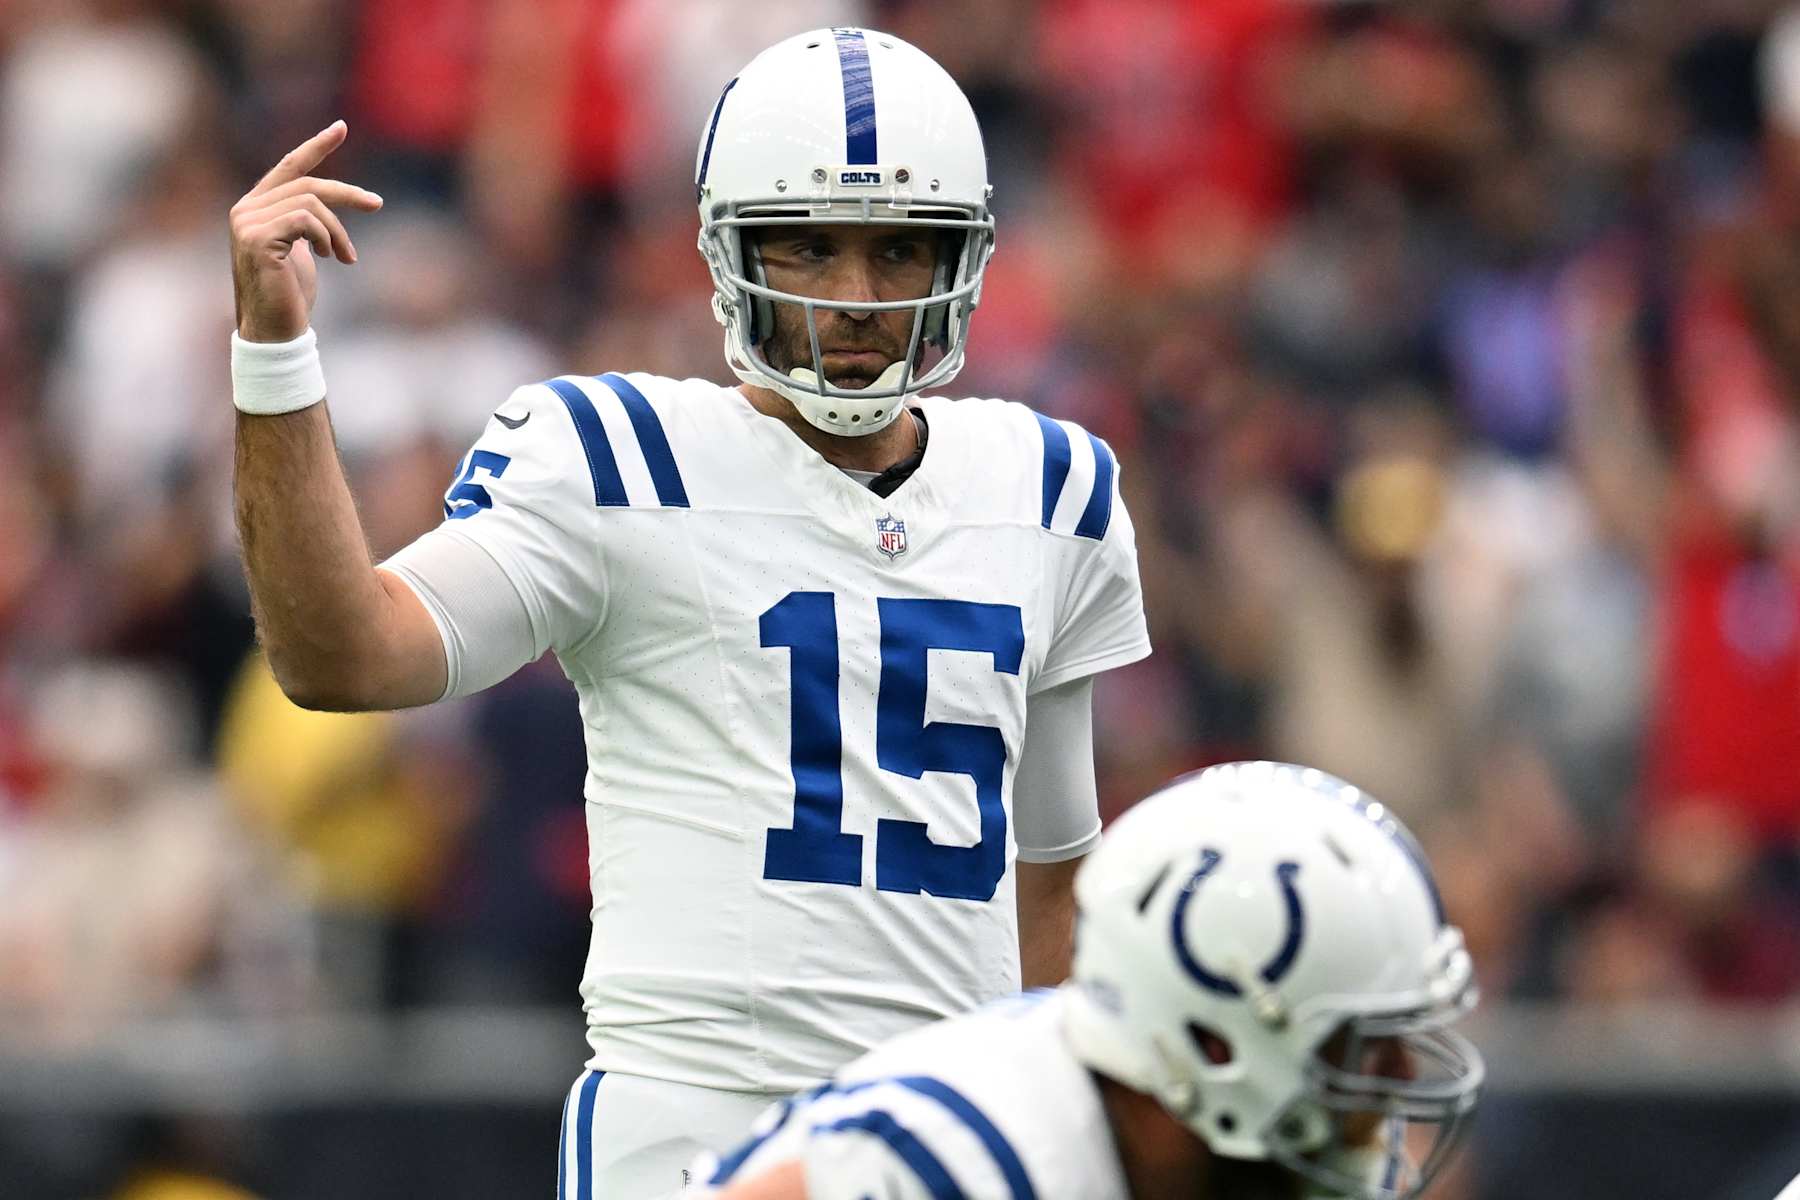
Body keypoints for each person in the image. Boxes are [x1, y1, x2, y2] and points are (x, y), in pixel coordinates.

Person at [225, 27, 1150, 1199]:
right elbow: (341, 654)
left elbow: (1051, 879)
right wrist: (274, 351)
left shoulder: (1050, 489)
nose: (856, 299)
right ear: (727, 251)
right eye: (808, 249)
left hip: (947, 1140)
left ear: (963, 258)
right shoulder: (619, 459)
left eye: (901, 250)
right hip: (695, 1135)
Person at [693, 761, 1485, 1200]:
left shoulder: (1256, 1168)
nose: (1396, 1086)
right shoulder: (954, 1161)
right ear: (1210, 1049)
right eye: (1357, 1049)